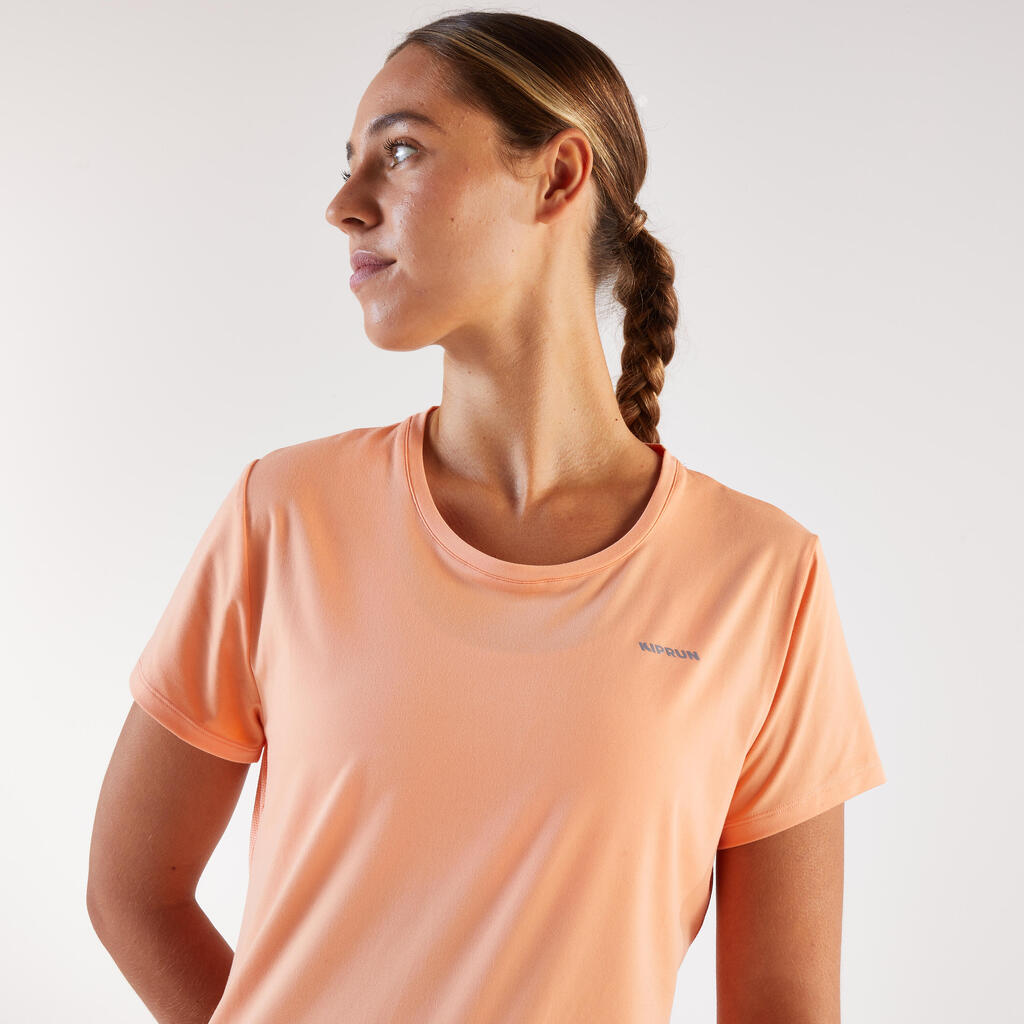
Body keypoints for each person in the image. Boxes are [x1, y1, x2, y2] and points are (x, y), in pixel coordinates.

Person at [87, 11, 886, 1023]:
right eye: (349, 163)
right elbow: (133, 892)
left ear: (557, 178)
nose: (344, 205)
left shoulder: (763, 576)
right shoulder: (284, 515)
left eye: (401, 152)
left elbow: (783, 1003)